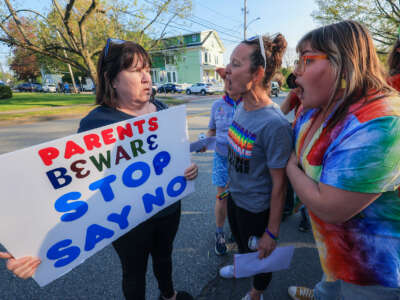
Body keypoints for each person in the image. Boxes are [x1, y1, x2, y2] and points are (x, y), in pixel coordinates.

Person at [0, 39, 198, 300]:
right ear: (112, 80)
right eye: (136, 71)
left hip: (168, 208)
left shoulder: (161, 109)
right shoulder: (96, 123)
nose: (147, 78)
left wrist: (188, 169)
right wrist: (29, 241)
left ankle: (169, 295)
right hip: (127, 222)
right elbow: (67, 185)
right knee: (134, 271)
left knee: (164, 256)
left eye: (147, 70)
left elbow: (174, 155)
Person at [286, 21, 400, 300]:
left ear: (343, 62)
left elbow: (329, 207)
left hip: (373, 274)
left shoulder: (384, 122)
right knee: (328, 289)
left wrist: (289, 166)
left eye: (307, 60)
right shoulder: (319, 106)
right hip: (334, 254)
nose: (294, 73)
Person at [219, 34, 293, 300]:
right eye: (230, 62)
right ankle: (241, 267)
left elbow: (280, 185)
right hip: (236, 200)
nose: (228, 70)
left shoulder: (275, 125)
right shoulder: (241, 106)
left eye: (236, 64)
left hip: (258, 210)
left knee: (262, 255)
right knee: (241, 245)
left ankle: (255, 292)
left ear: (258, 73)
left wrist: (271, 231)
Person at [205, 67, 241, 256]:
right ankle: (219, 233)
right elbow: (211, 130)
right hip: (221, 158)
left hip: (243, 161)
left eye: (232, 80)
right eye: (226, 80)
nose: (228, 84)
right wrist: (204, 141)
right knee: (222, 197)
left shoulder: (249, 105)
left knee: (239, 197)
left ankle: (236, 229)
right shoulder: (217, 105)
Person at [280, 78, 310, 233]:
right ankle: (287, 208)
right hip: (298, 139)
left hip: (314, 142)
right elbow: (282, 111)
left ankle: (306, 214)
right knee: (290, 175)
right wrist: (294, 93)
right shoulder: (297, 92)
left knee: (309, 178)